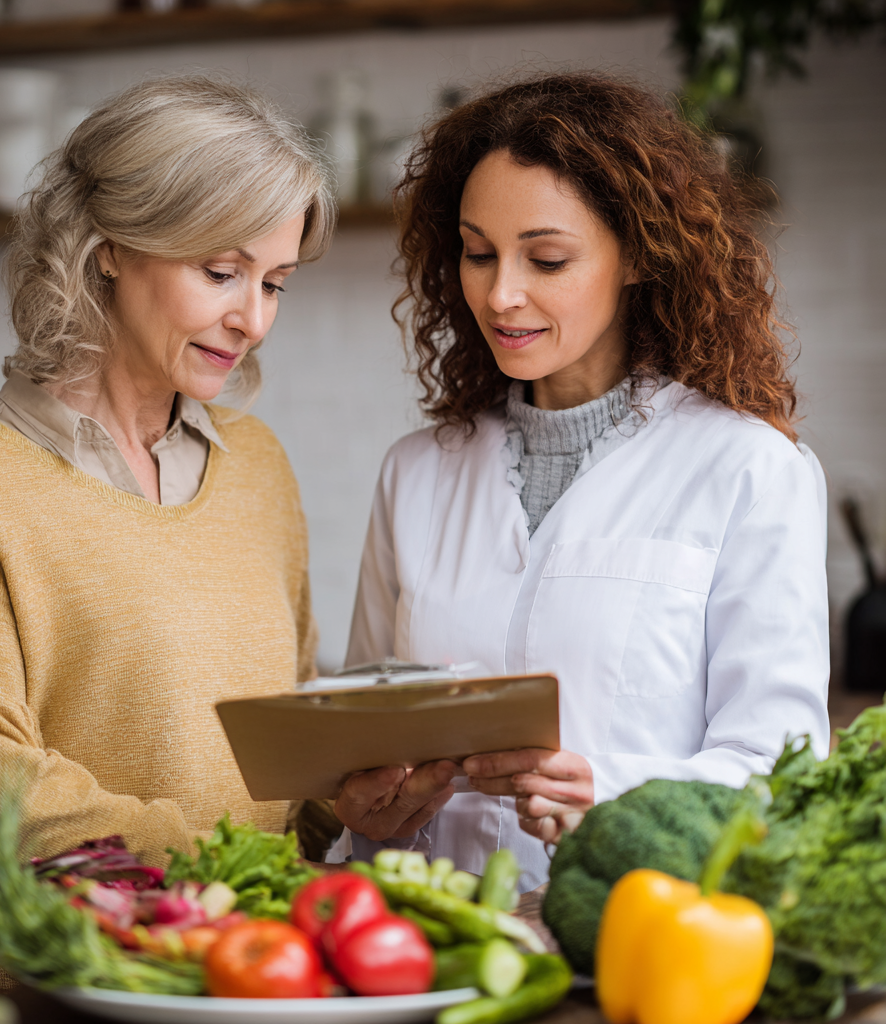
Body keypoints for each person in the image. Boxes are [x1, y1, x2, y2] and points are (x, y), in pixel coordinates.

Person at [329, 73, 830, 890]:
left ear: (637, 256)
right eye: (478, 253)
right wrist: (367, 811)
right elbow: (364, 738)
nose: (502, 294)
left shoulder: (749, 469)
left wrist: (613, 794)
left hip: (634, 947)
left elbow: (779, 769)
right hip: (432, 955)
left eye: (547, 258)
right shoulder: (416, 473)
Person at [0, 75, 334, 989]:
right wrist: (239, 868)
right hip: (55, 991)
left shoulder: (259, 466)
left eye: (275, 283)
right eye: (220, 272)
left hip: (251, 983)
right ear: (108, 250)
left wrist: (353, 796)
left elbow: (290, 751)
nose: (252, 319)